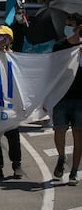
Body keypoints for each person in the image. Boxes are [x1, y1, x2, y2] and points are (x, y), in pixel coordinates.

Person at [0, 25, 24, 180]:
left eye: (2, 37)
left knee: (13, 137)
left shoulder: (16, 57)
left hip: (10, 105)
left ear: (9, 39)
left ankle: (17, 164)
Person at [51, 13, 82, 186]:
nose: (67, 27)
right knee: (59, 130)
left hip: (80, 100)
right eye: (66, 24)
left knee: (79, 136)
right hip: (61, 98)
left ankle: (74, 172)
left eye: (71, 24)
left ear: (79, 27)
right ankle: (61, 157)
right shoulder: (59, 46)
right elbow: (51, 71)